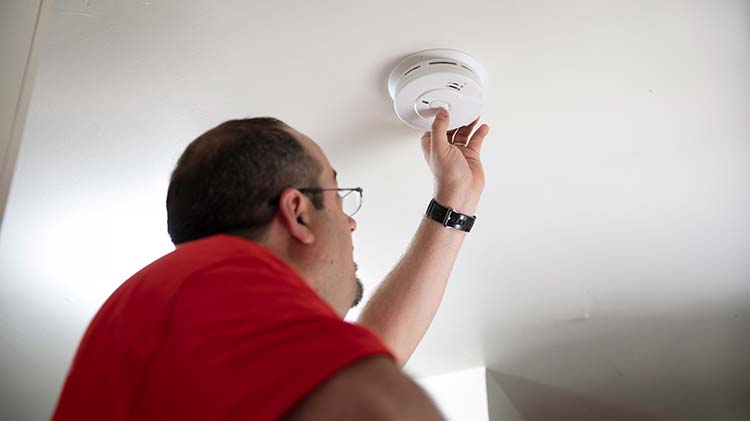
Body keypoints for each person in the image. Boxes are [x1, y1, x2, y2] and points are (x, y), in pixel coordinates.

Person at [51, 108, 489, 420]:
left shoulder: (189, 301)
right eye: (339, 197)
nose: (351, 222)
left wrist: (457, 199)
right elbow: (379, 407)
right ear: (298, 213)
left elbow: (370, 350)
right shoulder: (210, 282)